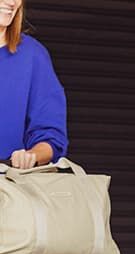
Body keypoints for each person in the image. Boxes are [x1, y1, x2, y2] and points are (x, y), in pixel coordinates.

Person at [0, 0, 68, 169]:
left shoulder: (33, 56)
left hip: (8, 189)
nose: (11, 1)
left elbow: (51, 137)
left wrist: (31, 156)